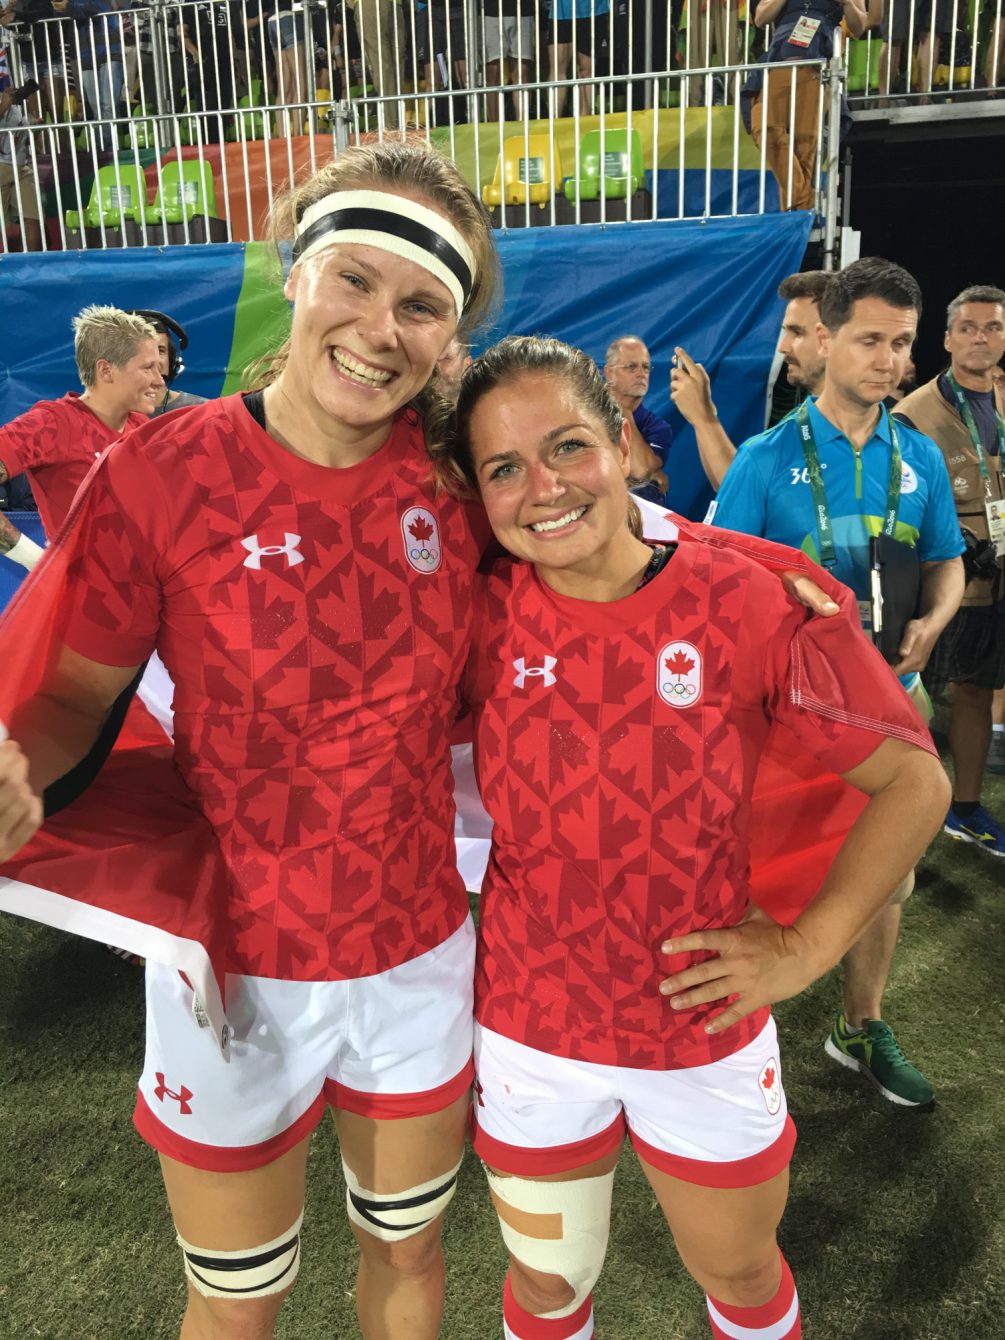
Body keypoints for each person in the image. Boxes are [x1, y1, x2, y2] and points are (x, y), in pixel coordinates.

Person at [0, 139, 502, 1340]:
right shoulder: (160, 471)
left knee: (411, 1254)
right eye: (357, 280)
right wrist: (16, 761)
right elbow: (72, 694)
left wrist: (771, 584)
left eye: (423, 304)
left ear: (451, 334)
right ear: (297, 273)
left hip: (414, 951)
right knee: (235, 1299)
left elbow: (617, 540)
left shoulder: (463, 477)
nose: (383, 326)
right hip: (228, 958)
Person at [441, 333, 949, 1340]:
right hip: (532, 1026)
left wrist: (805, 948)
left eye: (568, 447)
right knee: (550, 1286)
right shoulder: (473, 614)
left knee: (742, 1275)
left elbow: (913, 780)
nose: (542, 487)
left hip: (700, 1027)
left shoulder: (748, 602)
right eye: (504, 467)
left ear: (624, 447)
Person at [711, 256, 965, 1108]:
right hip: (789, 722)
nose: (887, 360)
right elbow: (719, 580)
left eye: (899, 343)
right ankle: (738, 1034)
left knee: (883, 869)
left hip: (890, 706)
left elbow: (946, 564)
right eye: (868, 340)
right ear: (824, 340)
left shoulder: (918, 458)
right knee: (756, 865)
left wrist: (934, 620)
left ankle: (858, 1023)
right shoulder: (762, 459)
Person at [894, 284, 1005, 857]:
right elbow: (899, 499)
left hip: (1000, 574)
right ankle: (905, 801)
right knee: (922, 689)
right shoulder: (913, 413)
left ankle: (963, 807)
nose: (981, 337)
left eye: (992, 327)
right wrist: (957, 541)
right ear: (947, 338)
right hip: (953, 579)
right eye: (969, 327)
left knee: (979, 691)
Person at [0, 305, 162, 569]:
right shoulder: (53, 424)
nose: (159, 380)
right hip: (84, 601)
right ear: (106, 370)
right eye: (148, 368)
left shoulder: (141, 427)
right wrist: (38, 562)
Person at [670, 269, 831, 491]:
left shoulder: (869, 430)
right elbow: (736, 489)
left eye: (797, 333)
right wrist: (703, 414)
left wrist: (703, 416)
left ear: (830, 337)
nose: (783, 347)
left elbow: (743, 491)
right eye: (785, 332)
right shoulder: (798, 423)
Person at [746, 0, 867, 211]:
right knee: (764, 127)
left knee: (804, 144)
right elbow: (760, 19)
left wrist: (847, 3)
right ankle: (804, 205)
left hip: (817, 66)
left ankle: (793, 215)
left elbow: (859, 27)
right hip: (780, 61)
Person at [128, 309, 208, 417]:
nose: (152, 360)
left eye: (160, 350)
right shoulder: (104, 414)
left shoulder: (202, 411)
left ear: (172, 361)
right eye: (141, 350)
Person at [0, 79, 42, 251]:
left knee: (32, 217)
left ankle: (33, 265)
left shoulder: (17, 108)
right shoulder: (5, 103)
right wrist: (3, 106)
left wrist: (36, 126)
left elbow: (25, 140)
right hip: (1, 168)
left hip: (21, 166)